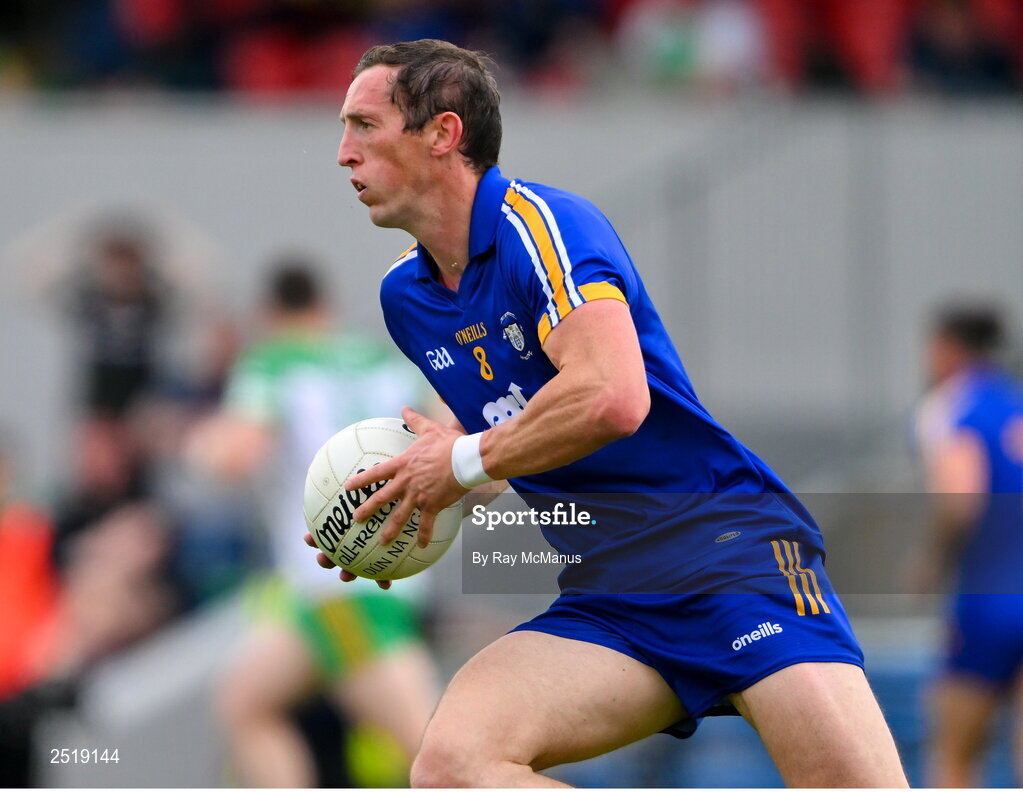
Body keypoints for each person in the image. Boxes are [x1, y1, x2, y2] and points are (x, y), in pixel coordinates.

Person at [310, 39, 908, 787]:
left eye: (363, 125)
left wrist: (463, 461)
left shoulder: (546, 227)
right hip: (613, 596)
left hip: (730, 556)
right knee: (451, 766)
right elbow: (500, 443)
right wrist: (408, 496)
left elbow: (611, 396)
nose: (343, 153)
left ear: (442, 133)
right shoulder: (406, 298)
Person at [188, 260, 438, 787]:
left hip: (342, 582)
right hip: (368, 577)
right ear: (324, 306)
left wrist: (196, 444)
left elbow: (235, 455)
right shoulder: (388, 358)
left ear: (271, 314)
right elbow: (448, 430)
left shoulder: (272, 361)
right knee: (244, 701)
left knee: (437, 757)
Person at [914, 304, 1023, 787]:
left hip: (987, 601)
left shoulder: (952, 406)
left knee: (954, 752)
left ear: (946, 349)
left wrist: (930, 560)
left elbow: (962, 497)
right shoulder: (1015, 404)